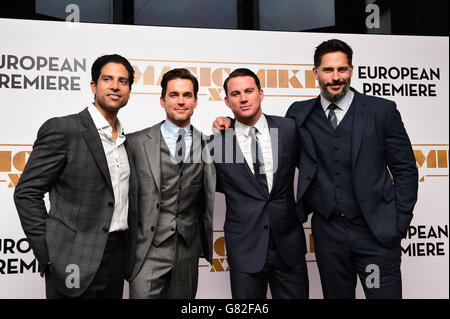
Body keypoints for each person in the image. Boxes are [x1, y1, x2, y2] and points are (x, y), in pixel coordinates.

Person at [214, 39, 418, 299]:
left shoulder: (381, 111)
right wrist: (229, 123)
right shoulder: (298, 115)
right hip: (329, 235)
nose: (335, 77)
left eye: (341, 69)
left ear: (351, 70)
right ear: (316, 73)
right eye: (328, 70)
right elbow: (252, 136)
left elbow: (406, 169)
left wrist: (398, 223)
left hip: (375, 235)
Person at [14, 54, 138, 299]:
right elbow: (27, 193)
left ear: (129, 91)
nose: (115, 86)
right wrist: (48, 253)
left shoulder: (127, 141)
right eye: (108, 79)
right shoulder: (63, 129)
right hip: (71, 258)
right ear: (94, 86)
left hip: (117, 256)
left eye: (123, 81)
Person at [211, 68, 308, 299]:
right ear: (227, 100)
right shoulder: (219, 143)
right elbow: (220, 186)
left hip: (288, 246)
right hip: (245, 248)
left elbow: (312, 169)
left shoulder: (287, 129)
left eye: (249, 91)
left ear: (261, 93)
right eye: (235, 94)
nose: (243, 98)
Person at [127, 68, 215, 299]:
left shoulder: (209, 144)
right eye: (174, 95)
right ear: (162, 100)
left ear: (195, 101)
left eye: (187, 95)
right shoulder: (135, 142)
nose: (181, 101)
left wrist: (230, 122)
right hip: (147, 249)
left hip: (187, 249)